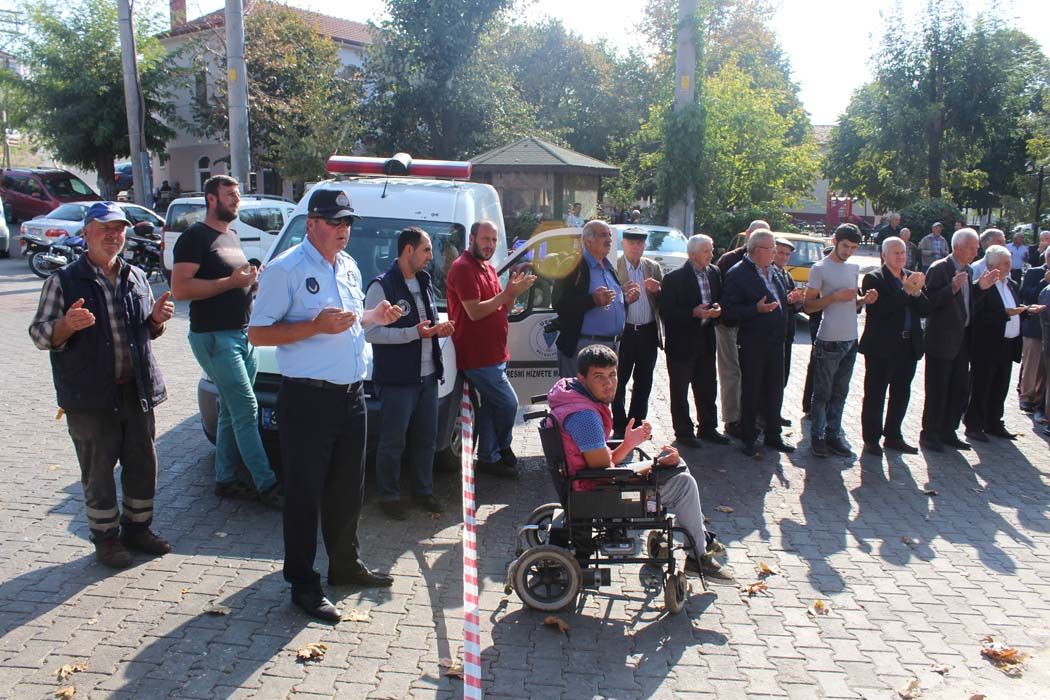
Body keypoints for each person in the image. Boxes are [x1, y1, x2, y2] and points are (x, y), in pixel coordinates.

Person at [248, 188, 403, 622]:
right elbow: (258, 333)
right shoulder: (286, 269)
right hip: (308, 398)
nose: (343, 229)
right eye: (335, 222)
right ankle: (302, 582)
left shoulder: (349, 265)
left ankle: (345, 564)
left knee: (348, 489)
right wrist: (313, 326)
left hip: (351, 395)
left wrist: (375, 317)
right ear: (312, 223)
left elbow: (348, 322)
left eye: (348, 222)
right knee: (304, 494)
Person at [29, 202, 175, 568]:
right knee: (98, 471)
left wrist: (156, 320)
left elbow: (145, 331)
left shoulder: (135, 275)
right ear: (87, 232)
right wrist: (66, 325)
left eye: (119, 229)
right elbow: (40, 334)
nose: (114, 235)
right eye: (105, 228)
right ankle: (106, 539)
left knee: (143, 465)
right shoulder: (63, 281)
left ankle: (137, 529)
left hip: (136, 390)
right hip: (89, 396)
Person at [546, 344, 732, 580]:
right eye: (599, 376)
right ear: (582, 378)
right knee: (683, 483)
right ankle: (698, 554)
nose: (608, 383)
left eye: (612, 375)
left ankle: (701, 539)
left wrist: (629, 444)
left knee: (676, 466)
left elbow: (600, 463)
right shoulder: (585, 417)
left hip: (588, 483)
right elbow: (603, 472)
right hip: (596, 494)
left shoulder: (571, 396)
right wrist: (652, 464)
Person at [170, 175, 283, 509]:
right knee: (247, 408)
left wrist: (251, 283)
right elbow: (180, 289)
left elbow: (234, 281)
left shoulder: (230, 235)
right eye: (230, 195)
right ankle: (267, 484)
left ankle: (225, 479)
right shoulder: (194, 237)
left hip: (243, 334)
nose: (236, 200)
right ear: (211, 199)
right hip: (214, 337)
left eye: (237, 195)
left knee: (231, 412)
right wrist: (231, 282)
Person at [365, 227, 455, 520]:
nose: (431, 256)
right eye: (426, 250)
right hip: (397, 380)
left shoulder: (424, 281)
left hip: (427, 377)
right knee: (393, 442)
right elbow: (371, 334)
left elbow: (426, 325)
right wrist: (414, 333)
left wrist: (439, 329)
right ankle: (389, 497)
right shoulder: (382, 286)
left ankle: (423, 492)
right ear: (408, 251)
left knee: (426, 440)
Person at [446, 220, 535, 478]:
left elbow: (504, 307)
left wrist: (513, 292)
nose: (490, 245)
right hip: (477, 356)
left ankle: (488, 457)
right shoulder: (463, 267)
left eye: (494, 240)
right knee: (508, 403)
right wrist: (507, 294)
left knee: (491, 407)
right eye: (485, 239)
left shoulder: (487, 267)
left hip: (495, 353)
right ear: (472, 238)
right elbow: (474, 312)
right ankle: (503, 447)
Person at [721, 229, 804, 457]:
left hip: (777, 342)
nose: (776, 252)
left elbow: (780, 300)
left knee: (775, 389)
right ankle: (749, 437)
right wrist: (755, 309)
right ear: (757, 250)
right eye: (772, 249)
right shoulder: (738, 273)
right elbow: (728, 312)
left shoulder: (774, 271)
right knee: (752, 390)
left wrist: (792, 301)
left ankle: (773, 434)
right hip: (753, 343)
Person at [803, 224, 878, 458]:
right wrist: (834, 296)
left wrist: (864, 300)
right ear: (835, 241)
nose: (848, 251)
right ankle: (817, 437)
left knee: (841, 392)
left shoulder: (853, 267)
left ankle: (833, 435)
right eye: (845, 246)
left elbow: (850, 304)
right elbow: (808, 306)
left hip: (850, 338)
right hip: (828, 339)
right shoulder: (820, 268)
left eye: (853, 247)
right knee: (822, 393)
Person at [920, 228, 990, 452]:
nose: (976, 252)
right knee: (938, 390)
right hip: (941, 341)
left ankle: (948, 431)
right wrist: (951, 288)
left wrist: (980, 288)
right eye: (972, 248)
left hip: (962, 340)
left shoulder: (968, 269)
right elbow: (928, 304)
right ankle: (929, 434)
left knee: (958, 389)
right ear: (958, 248)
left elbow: (966, 303)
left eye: (977, 248)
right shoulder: (939, 268)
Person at [964, 246, 1044, 442]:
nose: (1010, 266)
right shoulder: (984, 286)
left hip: (1007, 345)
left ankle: (993, 422)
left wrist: (1025, 311)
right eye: (1005, 263)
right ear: (993, 266)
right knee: (982, 386)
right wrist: (1005, 314)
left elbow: (1013, 308)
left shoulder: (1011, 284)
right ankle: (974, 425)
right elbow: (978, 316)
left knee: (1000, 386)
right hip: (988, 344)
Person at [858, 237, 929, 456]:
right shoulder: (874, 278)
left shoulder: (910, 276)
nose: (900, 257)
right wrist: (905, 291)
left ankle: (893, 435)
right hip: (882, 347)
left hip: (908, 345)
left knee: (901, 392)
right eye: (896, 253)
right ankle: (871, 439)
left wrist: (916, 292)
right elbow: (881, 310)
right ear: (884, 255)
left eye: (903, 253)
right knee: (875, 393)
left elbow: (925, 309)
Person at [659, 234, 730, 448]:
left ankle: (708, 427)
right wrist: (692, 312)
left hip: (706, 339)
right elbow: (666, 312)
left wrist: (718, 309)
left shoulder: (714, 272)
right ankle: (683, 432)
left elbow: (720, 298)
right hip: (681, 343)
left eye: (711, 250)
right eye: (706, 251)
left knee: (707, 386)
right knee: (680, 390)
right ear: (692, 255)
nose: (711, 254)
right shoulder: (673, 279)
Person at [553, 219, 639, 378]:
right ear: (588, 240)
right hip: (583, 347)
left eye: (610, 236)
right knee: (579, 393)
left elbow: (611, 302)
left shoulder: (608, 267)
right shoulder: (573, 265)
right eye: (603, 235)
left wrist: (624, 299)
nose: (609, 240)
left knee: (604, 394)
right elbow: (559, 304)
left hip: (612, 346)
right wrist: (592, 300)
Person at [715, 219, 769, 439]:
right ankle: (732, 419)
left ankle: (750, 414)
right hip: (728, 325)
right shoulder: (729, 260)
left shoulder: (767, 262)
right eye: (756, 235)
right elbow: (719, 292)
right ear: (748, 235)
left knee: (751, 372)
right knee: (731, 373)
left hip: (752, 327)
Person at [612, 227, 663, 438]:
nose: (636, 247)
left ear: (644, 245)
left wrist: (658, 291)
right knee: (619, 379)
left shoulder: (652, 267)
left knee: (644, 380)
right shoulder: (614, 266)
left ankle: (637, 423)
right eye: (631, 243)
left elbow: (665, 301)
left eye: (640, 243)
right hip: (624, 333)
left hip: (648, 331)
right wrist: (623, 297)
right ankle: (619, 424)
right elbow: (608, 300)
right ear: (623, 244)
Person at [1019, 247, 1050, 415]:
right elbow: (1026, 294)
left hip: (1048, 329)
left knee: (1044, 369)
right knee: (1031, 364)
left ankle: (1039, 400)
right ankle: (1026, 397)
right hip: (1034, 327)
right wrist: (1044, 282)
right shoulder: (1035, 272)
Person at [773, 238, 804, 391]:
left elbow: (795, 307)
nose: (784, 257)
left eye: (787, 254)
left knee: (783, 375)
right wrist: (787, 299)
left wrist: (798, 300)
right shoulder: (767, 272)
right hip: (773, 333)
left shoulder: (786, 274)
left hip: (787, 331)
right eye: (780, 253)